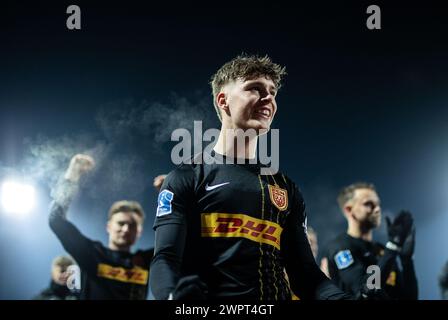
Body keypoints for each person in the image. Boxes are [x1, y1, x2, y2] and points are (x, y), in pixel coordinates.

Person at [150, 54, 351, 300]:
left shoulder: (285, 187)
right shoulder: (186, 177)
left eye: (273, 92)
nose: (269, 98)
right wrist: (172, 297)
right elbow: (165, 259)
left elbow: (305, 274)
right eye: (255, 89)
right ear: (223, 101)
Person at [49, 154, 154, 300]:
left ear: (139, 232)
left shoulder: (148, 260)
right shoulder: (92, 254)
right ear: (108, 226)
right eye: (121, 223)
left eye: (132, 226)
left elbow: (188, 242)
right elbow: (56, 220)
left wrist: (174, 193)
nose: (125, 229)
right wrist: (73, 174)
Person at [325, 182, 418, 299]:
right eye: (369, 204)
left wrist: (407, 261)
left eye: (378, 204)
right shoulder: (340, 247)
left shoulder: (383, 250)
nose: (377, 209)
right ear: (349, 210)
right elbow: (365, 292)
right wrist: (393, 247)